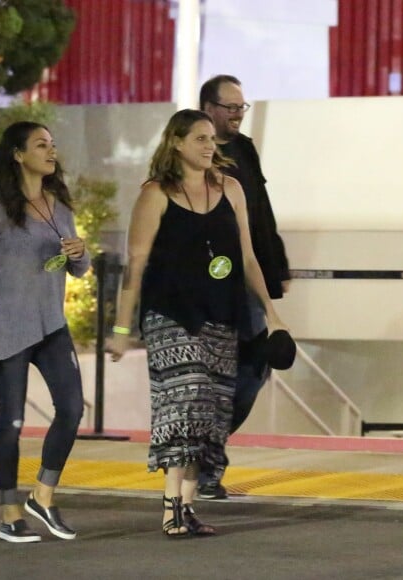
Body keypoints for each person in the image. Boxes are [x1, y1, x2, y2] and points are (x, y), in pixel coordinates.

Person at [110, 109, 286, 537]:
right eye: (201, 139)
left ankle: (187, 507)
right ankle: (170, 505)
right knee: (185, 400)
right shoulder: (155, 194)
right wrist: (119, 329)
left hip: (222, 314)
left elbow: (246, 258)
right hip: (170, 315)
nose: (210, 146)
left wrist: (273, 313)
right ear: (177, 143)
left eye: (212, 139)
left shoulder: (231, 189)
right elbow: (135, 263)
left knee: (210, 410)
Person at [0, 121, 90, 544]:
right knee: (12, 421)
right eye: (41, 145)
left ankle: (44, 494)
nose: (50, 151)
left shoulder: (61, 207)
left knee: (72, 409)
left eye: (52, 145)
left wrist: (81, 253)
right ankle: (9, 512)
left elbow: (78, 267)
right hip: (10, 328)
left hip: (52, 325)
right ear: (18, 155)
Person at [197, 74, 292, 499]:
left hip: (249, 281)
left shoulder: (245, 151)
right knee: (214, 377)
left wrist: (277, 269)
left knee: (255, 371)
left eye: (242, 107)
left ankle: (204, 453)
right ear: (208, 108)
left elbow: (261, 213)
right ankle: (204, 468)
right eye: (230, 107)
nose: (237, 114)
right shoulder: (187, 155)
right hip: (209, 287)